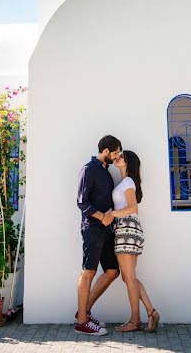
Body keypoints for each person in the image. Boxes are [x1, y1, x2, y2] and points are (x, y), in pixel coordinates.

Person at [75, 135, 122, 335]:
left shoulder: (106, 171)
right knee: (89, 272)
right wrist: (101, 216)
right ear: (105, 151)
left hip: (106, 230)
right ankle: (82, 323)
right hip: (92, 228)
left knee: (112, 271)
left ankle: (82, 313)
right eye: (115, 152)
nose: (117, 156)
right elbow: (81, 202)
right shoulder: (89, 169)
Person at [111, 150, 160, 333]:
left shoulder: (128, 182)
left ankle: (135, 321)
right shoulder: (124, 182)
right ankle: (151, 311)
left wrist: (112, 214)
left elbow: (133, 208)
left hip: (127, 229)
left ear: (128, 163)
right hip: (127, 230)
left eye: (121, 156)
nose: (118, 157)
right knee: (128, 277)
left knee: (129, 277)